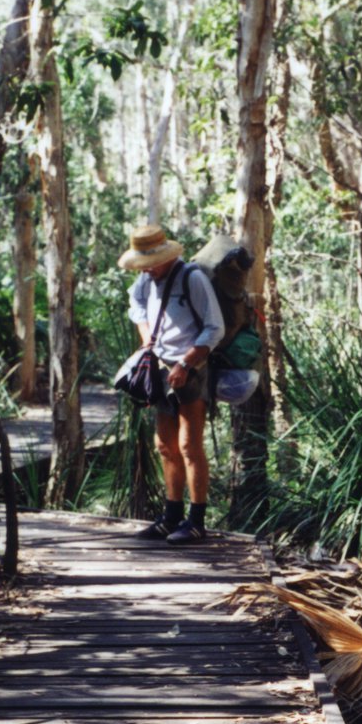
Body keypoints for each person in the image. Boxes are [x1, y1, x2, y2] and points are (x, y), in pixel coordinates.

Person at [118, 223, 225, 544]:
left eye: (150, 264)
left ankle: (196, 521)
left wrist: (185, 363)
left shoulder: (192, 279)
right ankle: (171, 516)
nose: (147, 270)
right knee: (164, 446)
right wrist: (147, 342)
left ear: (166, 256)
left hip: (191, 369)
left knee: (189, 446)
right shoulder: (145, 280)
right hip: (160, 370)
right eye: (143, 265)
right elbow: (136, 307)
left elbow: (214, 328)